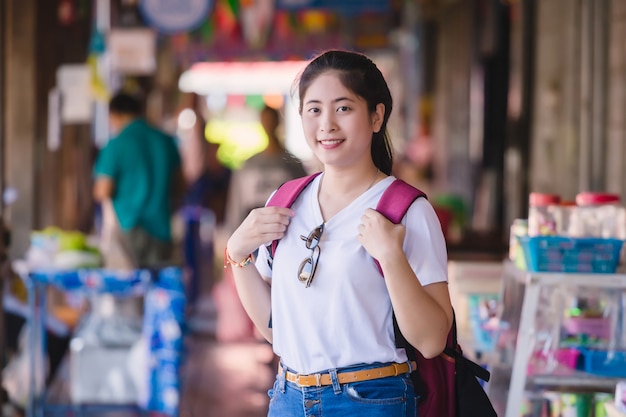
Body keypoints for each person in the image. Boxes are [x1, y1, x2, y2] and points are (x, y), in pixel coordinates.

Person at [225, 50, 453, 417]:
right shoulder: (285, 202)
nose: (327, 124)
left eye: (343, 108)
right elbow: (278, 331)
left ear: (376, 116)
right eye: (314, 109)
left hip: (371, 400)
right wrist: (237, 255)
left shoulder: (405, 210)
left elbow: (431, 341)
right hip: (288, 397)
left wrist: (391, 258)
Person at [93, 91, 183, 269]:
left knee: (129, 289)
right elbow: (181, 185)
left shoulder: (116, 144)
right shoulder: (165, 141)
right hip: (161, 227)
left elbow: (103, 190)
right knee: (157, 290)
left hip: (128, 226)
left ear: (115, 115)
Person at [223, 104, 307, 236]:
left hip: (285, 232)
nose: (268, 125)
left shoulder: (293, 164)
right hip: (254, 232)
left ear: (278, 122)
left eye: (271, 120)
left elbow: (304, 202)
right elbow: (237, 205)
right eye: (265, 120)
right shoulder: (248, 165)